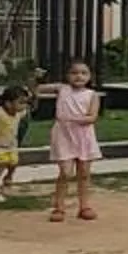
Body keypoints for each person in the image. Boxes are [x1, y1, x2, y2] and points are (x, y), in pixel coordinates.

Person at [39, 61, 103, 222]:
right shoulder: (62, 89)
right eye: (74, 73)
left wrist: (73, 118)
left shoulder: (92, 95)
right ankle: (59, 207)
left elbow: (92, 117)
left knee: (84, 173)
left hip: (84, 136)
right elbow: (37, 89)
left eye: (83, 73)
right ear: (68, 75)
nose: (79, 76)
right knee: (65, 172)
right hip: (64, 135)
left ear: (89, 76)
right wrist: (37, 78)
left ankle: (84, 206)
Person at [0, 87, 32, 200]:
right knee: (1, 166)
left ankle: (7, 182)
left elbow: (32, 108)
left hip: (12, 146)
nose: (24, 106)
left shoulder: (18, 113)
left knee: (13, 164)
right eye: (21, 102)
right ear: (8, 103)